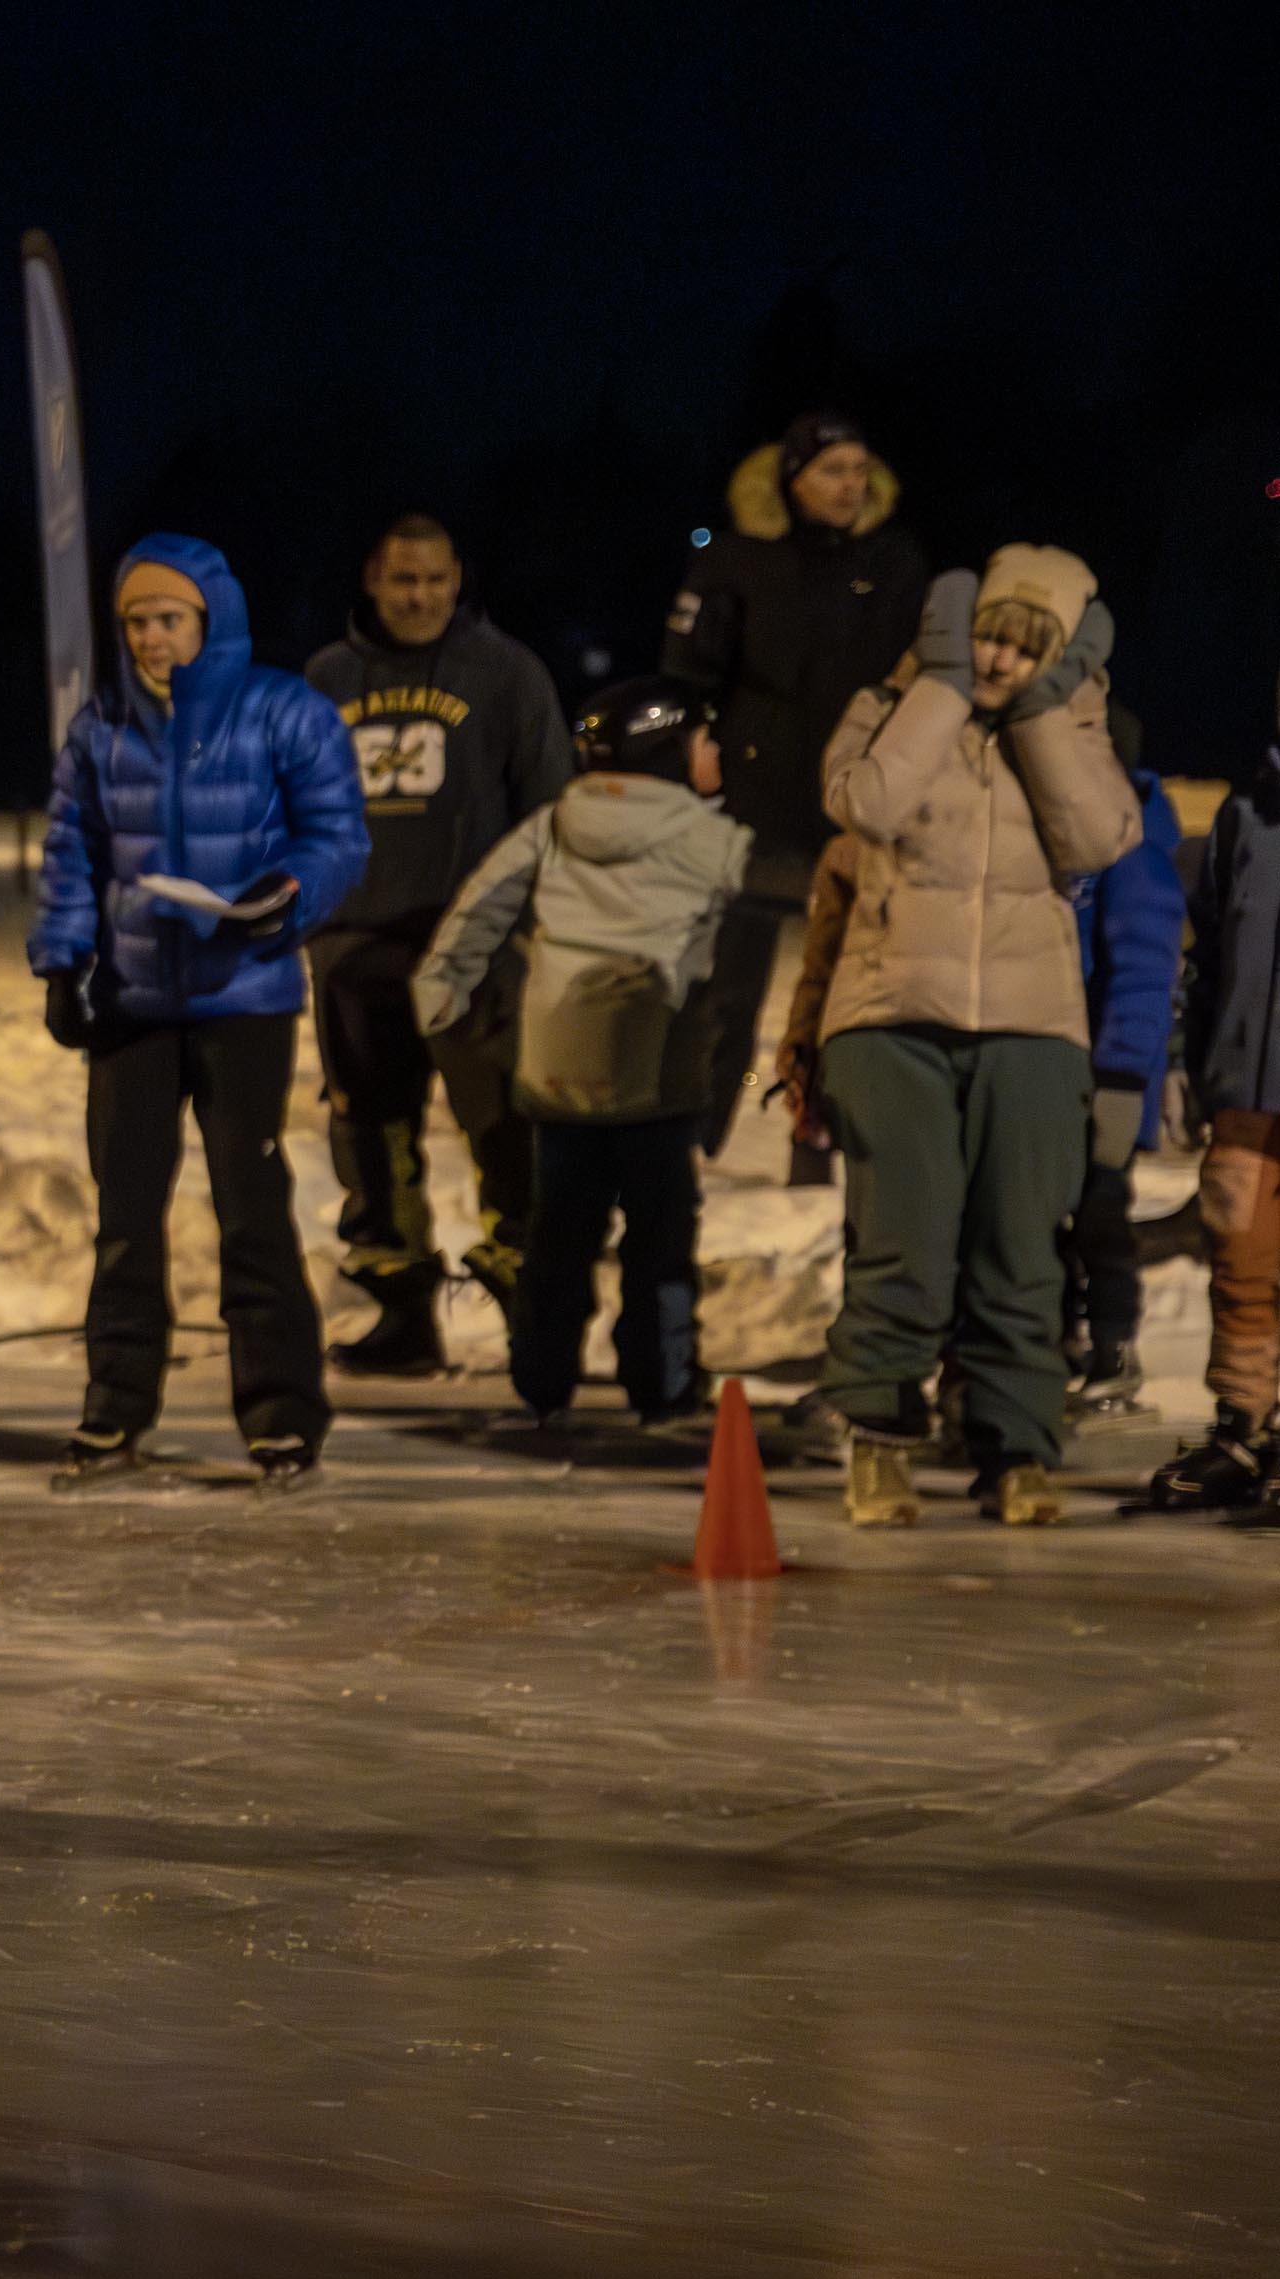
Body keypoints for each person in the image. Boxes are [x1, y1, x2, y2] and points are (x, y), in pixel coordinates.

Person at [29, 534, 371, 1494]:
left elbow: (337, 834)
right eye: (136, 619)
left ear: (209, 621)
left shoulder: (283, 713)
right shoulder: (103, 725)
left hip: (244, 996)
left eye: (168, 618)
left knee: (252, 1209)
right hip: (135, 1001)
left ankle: (281, 1418)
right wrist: (64, 962)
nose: (150, 636)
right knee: (127, 1215)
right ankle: (114, 1408)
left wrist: (286, 893)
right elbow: (72, 848)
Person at [815, 547, 1138, 1527]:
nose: (1000, 657)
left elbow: (1093, 840)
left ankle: (1016, 1449)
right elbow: (860, 802)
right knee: (900, 1237)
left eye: (1024, 645)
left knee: (1019, 1251)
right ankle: (876, 1436)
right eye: (989, 634)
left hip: (1032, 1028)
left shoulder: (1080, 725)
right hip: (888, 1015)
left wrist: (1041, 707)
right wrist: (941, 687)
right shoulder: (890, 702)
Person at [415, 678, 751, 1430]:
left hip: (559, 1073)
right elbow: (765, 907)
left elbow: (480, 908)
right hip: (657, 1071)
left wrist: (443, 1000)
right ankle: (661, 1382)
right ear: (666, 749)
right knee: (660, 1238)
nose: (717, 750)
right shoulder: (715, 839)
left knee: (559, 1232)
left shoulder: (554, 823)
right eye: (703, 738)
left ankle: (542, 1378)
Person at [302, 513, 573, 1372]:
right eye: (402, 581)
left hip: (477, 956)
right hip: (356, 951)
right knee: (374, 1143)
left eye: (436, 581)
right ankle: (402, 1315)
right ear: (372, 583)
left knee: (506, 1136)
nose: (420, 597)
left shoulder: (507, 674)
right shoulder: (325, 681)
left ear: (458, 581)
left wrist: (530, 927)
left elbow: (550, 810)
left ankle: (534, 1316)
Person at [664, 411, 934, 1172]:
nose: (848, 486)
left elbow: (923, 673)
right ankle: (695, 1144)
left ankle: (817, 1142)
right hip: (755, 799)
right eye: (830, 471)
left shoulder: (896, 560)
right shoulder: (739, 559)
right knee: (728, 986)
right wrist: (696, 742)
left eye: (858, 470)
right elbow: (687, 669)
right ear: (790, 482)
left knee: (842, 984)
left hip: (856, 798)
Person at [1145, 689, 1280, 1512]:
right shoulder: (1246, 815)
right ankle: (1244, 1423)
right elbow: (1211, 950)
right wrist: (1189, 1060)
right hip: (1246, 1089)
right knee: (1240, 1257)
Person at [1062, 759, 1185, 1419]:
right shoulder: (1080, 840)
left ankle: (1113, 1346)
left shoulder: (1133, 856)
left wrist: (1122, 1076)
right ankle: (1063, 1343)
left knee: (1100, 1216)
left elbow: (1142, 974)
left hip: (1106, 1075)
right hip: (1061, 1066)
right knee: (1049, 1217)